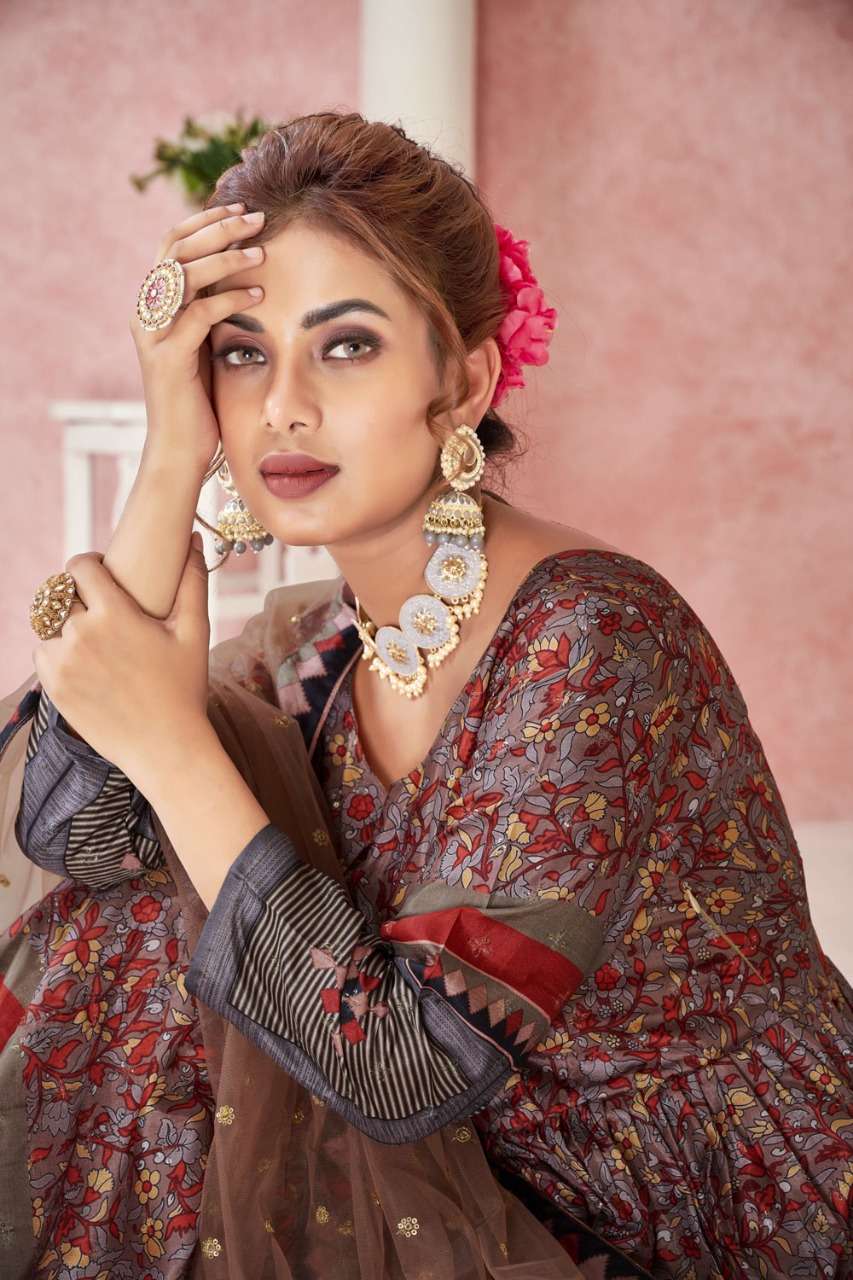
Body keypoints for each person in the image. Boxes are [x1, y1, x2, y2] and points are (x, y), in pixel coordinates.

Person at [2, 110, 851, 1279]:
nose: (283, 405)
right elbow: (76, 837)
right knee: (146, 895)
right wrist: (170, 454)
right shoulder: (319, 647)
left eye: (345, 345)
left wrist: (169, 738)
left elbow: (405, 1068)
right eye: (242, 354)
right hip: (487, 1189)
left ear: (463, 382)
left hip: (703, 1222)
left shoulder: (593, 638)